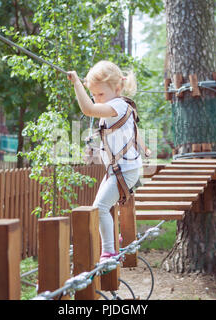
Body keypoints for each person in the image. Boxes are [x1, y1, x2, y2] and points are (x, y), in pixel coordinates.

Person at [67, 61, 142, 262]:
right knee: (100, 206)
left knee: (100, 207)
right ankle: (112, 239)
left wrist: (77, 84)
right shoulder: (112, 107)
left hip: (124, 170)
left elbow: (88, 109)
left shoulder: (117, 105)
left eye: (100, 94)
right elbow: (113, 139)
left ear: (117, 88)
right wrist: (94, 152)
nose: (96, 99)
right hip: (119, 169)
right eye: (94, 95)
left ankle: (109, 252)